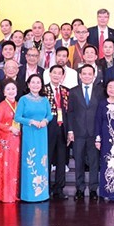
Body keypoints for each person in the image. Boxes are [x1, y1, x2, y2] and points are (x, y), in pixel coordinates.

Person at [67, 65, 103, 200]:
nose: (87, 76)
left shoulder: (100, 91)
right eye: (84, 74)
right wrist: (70, 130)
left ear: (94, 76)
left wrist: (100, 133)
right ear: (80, 76)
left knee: (94, 162)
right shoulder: (73, 92)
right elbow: (70, 112)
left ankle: (93, 189)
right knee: (79, 162)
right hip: (78, 132)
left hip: (94, 133)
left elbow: (101, 114)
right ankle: (80, 188)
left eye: (89, 74)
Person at [14, 74, 52, 203]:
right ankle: (29, 194)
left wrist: (45, 121)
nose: (36, 85)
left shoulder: (45, 100)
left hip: (42, 133)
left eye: (38, 83)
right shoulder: (23, 100)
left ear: (41, 85)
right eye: (33, 82)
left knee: (42, 161)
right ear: (28, 84)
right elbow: (17, 117)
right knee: (29, 160)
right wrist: (31, 121)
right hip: (29, 132)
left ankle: (42, 193)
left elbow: (50, 115)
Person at [0, 78, 21, 203]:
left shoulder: (19, 104)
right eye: (8, 89)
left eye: (13, 89)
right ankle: (5, 195)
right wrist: (9, 128)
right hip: (6, 139)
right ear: (4, 92)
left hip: (17, 139)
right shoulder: (2, 105)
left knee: (15, 166)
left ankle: (14, 193)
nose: (11, 91)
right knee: (6, 165)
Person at [43, 66, 69, 200]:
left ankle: (59, 189)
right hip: (47, 129)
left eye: (60, 73)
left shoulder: (66, 91)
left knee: (61, 160)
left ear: (63, 76)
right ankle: (45, 188)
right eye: (54, 73)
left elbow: (70, 113)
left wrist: (70, 131)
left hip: (63, 129)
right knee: (46, 160)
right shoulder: (43, 90)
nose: (57, 76)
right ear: (50, 74)